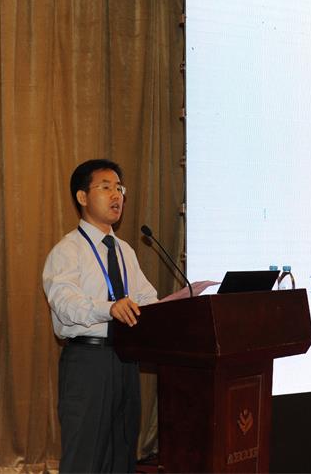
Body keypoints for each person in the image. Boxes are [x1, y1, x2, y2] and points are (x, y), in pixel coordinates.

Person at [43, 159, 214, 473]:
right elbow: (64, 303)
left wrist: (179, 306)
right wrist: (108, 307)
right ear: (82, 197)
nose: (116, 195)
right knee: (84, 458)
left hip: (126, 361)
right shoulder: (67, 251)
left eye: (119, 188)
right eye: (106, 187)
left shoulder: (124, 251)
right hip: (88, 363)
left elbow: (146, 300)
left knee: (122, 455)